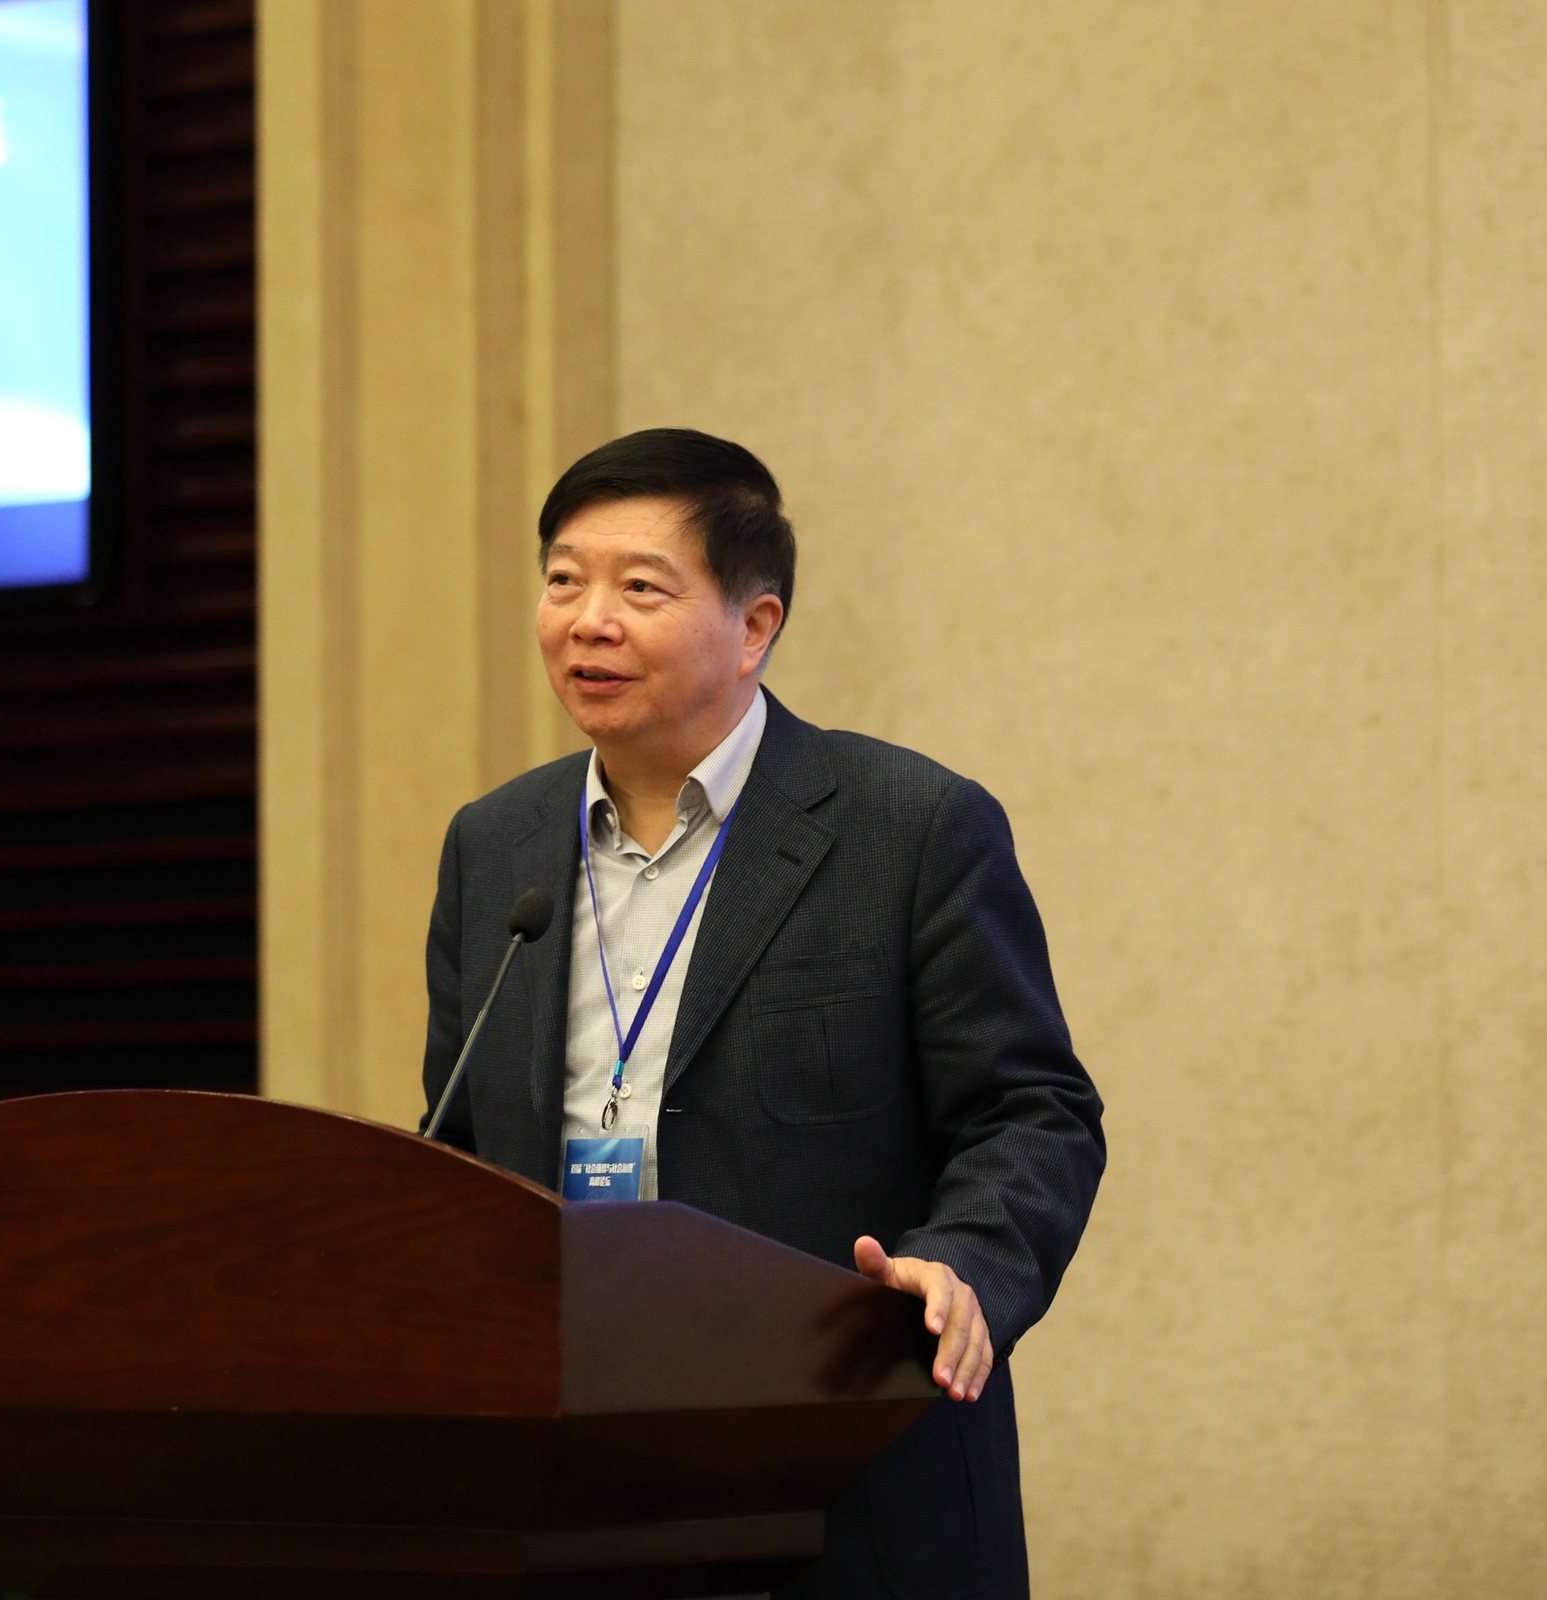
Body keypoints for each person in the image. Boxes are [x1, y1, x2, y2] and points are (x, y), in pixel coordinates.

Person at [419, 427, 1105, 1600]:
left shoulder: (909, 828)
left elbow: (1033, 1111)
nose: (588, 621)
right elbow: (458, 1145)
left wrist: (963, 1264)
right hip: (573, 1481)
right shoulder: (495, 847)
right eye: (564, 580)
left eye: (641, 588)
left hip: (848, 1473)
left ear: (755, 626)